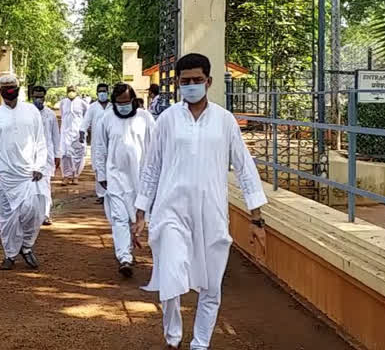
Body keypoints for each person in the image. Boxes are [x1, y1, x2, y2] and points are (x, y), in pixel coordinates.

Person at [133, 53, 267, 350]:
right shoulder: (167, 120)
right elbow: (152, 168)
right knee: (169, 273)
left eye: (197, 80)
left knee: (210, 284)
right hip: (171, 211)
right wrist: (141, 212)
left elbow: (245, 168)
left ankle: (200, 343)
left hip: (212, 213)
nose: (191, 86)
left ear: (209, 81)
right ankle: (172, 336)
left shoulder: (225, 121)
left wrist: (257, 218)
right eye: (185, 82)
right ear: (177, 84)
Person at [0, 75, 49, 270]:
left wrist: (38, 166)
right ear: (0, 90)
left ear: (18, 88)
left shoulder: (31, 111)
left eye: (13, 86)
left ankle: (26, 247)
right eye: (6, 87)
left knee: (33, 212)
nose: (9, 90)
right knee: (8, 218)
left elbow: (40, 142)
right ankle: (10, 253)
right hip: (7, 176)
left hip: (29, 174)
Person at [94, 83, 155, 277]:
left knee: (145, 218)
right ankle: (124, 258)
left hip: (142, 178)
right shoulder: (106, 119)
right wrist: (102, 175)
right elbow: (99, 148)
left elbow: (155, 148)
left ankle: (161, 256)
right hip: (116, 178)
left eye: (127, 102)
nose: (123, 106)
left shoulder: (145, 118)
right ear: (114, 103)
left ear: (133, 101)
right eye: (119, 103)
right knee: (119, 218)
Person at [32, 85, 61, 225]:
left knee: (45, 185)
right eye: (36, 97)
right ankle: (31, 214)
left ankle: (45, 214)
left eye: (41, 97)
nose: (38, 99)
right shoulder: (27, 113)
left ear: (44, 97)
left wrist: (58, 154)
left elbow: (55, 135)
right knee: (31, 186)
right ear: (32, 97)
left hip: (47, 156)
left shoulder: (50, 114)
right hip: (29, 156)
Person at [80, 83, 112, 203]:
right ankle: (101, 194)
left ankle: (111, 192)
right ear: (97, 93)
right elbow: (86, 121)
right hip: (97, 142)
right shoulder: (93, 107)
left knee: (110, 166)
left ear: (108, 92)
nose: (102, 93)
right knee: (99, 167)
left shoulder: (112, 106)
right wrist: (82, 132)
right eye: (100, 91)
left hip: (111, 141)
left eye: (104, 91)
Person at [58, 85, 88, 185]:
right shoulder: (63, 103)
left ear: (77, 92)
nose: (71, 92)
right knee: (65, 154)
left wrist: (83, 130)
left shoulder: (82, 103)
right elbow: (62, 115)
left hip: (78, 133)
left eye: (73, 91)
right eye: (69, 91)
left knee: (78, 154)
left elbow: (86, 117)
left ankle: (76, 176)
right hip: (65, 132)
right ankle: (66, 176)